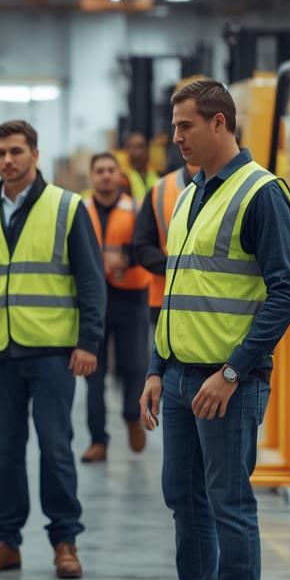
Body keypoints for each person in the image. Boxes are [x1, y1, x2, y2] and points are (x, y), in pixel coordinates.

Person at [127, 78, 290, 580]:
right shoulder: (189, 194)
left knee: (229, 505)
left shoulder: (261, 194)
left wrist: (233, 371)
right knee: (186, 501)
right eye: (175, 127)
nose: (176, 139)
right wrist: (156, 368)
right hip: (179, 380)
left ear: (221, 123)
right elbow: (175, 292)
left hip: (226, 385)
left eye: (186, 127)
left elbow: (286, 293)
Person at [0, 120, 104, 580]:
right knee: (6, 453)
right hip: (0, 352)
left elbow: (90, 279)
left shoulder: (68, 208)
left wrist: (89, 341)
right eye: (0, 152)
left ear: (35, 155)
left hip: (53, 352)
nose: (7, 160)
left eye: (16, 151)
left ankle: (65, 542)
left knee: (56, 448)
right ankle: (6, 541)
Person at [81, 152, 154, 464]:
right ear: (92, 176)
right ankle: (99, 440)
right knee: (92, 372)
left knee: (134, 366)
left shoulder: (136, 208)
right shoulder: (80, 210)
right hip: (93, 298)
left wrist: (126, 257)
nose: (106, 176)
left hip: (130, 296)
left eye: (111, 170)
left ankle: (130, 416)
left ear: (119, 175)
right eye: (100, 171)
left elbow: (147, 245)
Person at [132, 161, 199, 324]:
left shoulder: (233, 185)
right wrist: (176, 268)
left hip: (217, 307)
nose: (179, 138)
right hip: (166, 302)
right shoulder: (160, 189)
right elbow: (142, 246)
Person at [119, 131, 159, 202]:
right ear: (126, 150)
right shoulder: (122, 177)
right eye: (133, 147)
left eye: (141, 146)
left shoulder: (156, 173)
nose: (138, 152)